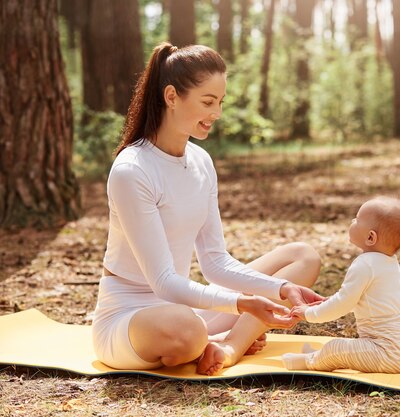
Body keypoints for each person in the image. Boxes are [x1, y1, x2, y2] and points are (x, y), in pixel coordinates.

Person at [92, 42, 323, 376]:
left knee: (303, 257)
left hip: (186, 311)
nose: (217, 113)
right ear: (171, 96)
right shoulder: (133, 169)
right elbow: (163, 283)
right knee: (186, 329)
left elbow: (215, 262)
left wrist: (280, 289)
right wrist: (243, 303)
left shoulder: (201, 161)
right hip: (131, 320)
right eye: (208, 101)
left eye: (220, 102)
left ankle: (229, 346)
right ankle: (210, 340)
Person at [282, 196, 400, 373]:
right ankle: (319, 356)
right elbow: (362, 298)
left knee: (337, 347)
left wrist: (309, 313)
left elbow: (343, 304)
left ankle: (308, 362)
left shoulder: (365, 263)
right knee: (348, 349)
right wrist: (328, 301)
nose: (352, 221)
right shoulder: (389, 262)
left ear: (371, 237)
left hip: (387, 355)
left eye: (357, 219)